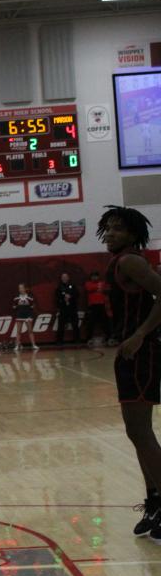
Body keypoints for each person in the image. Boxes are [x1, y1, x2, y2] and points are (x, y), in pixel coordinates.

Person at [98, 206, 161, 542]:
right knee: (136, 433)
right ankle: (154, 502)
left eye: (118, 228)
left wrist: (140, 334)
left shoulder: (130, 261)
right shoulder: (121, 261)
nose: (110, 232)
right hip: (130, 354)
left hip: (142, 353)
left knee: (141, 432)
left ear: (133, 234)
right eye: (107, 227)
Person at [84, 271, 111, 344]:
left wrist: (100, 287)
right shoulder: (88, 283)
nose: (95, 277)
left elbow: (108, 289)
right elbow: (89, 288)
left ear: (98, 277)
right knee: (90, 323)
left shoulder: (102, 283)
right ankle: (89, 338)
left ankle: (108, 337)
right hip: (92, 306)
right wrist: (98, 287)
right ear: (91, 277)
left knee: (105, 322)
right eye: (93, 276)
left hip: (101, 305)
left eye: (96, 276)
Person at [11, 283, 40, 351]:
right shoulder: (16, 298)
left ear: (24, 289)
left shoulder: (29, 298)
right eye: (19, 288)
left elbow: (32, 306)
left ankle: (33, 345)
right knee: (18, 331)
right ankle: (17, 346)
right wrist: (17, 306)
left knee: (30, 331)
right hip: (19, 316)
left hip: (27, 316)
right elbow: (14, 307)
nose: (20, 289)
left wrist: (29, 315)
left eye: (21, 288)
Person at [55, 272, 81, 345]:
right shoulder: (59, 287)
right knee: (61, 325)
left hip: (72, 308)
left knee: (75, 324)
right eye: (63, 277)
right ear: (61, 278)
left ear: (68, 278)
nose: (64, 278)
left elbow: (77, 294)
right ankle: (59, 341)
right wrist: (63, 298)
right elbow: (57, 296)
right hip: (63, 308)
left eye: (66, 277)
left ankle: (77, 340)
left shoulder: (72, 286)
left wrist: (70, 296)